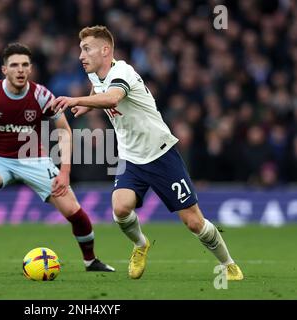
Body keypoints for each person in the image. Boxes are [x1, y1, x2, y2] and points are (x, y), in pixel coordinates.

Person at [51, 26, 243, 280]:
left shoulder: (124, 72)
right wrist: (88, 107)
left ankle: (228, 264)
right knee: (120, 208)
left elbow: (112, 98)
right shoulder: (97, 75)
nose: (80, 55)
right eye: (80, 50)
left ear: (105, 50)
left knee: (194, 222)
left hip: (161, 155)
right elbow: (99, 89)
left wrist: (76, 101)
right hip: (131, 157)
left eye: (86, 49)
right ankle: (141, 245)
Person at [0, 43, 114, 273]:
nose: (20, 70)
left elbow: (64, 130)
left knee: (75, 213)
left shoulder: (42, 95)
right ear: (4, 70)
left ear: (31, 68)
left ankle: (90, 261)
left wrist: (64, 171)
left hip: (35, 159)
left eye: (25, 65)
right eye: (14, 65)